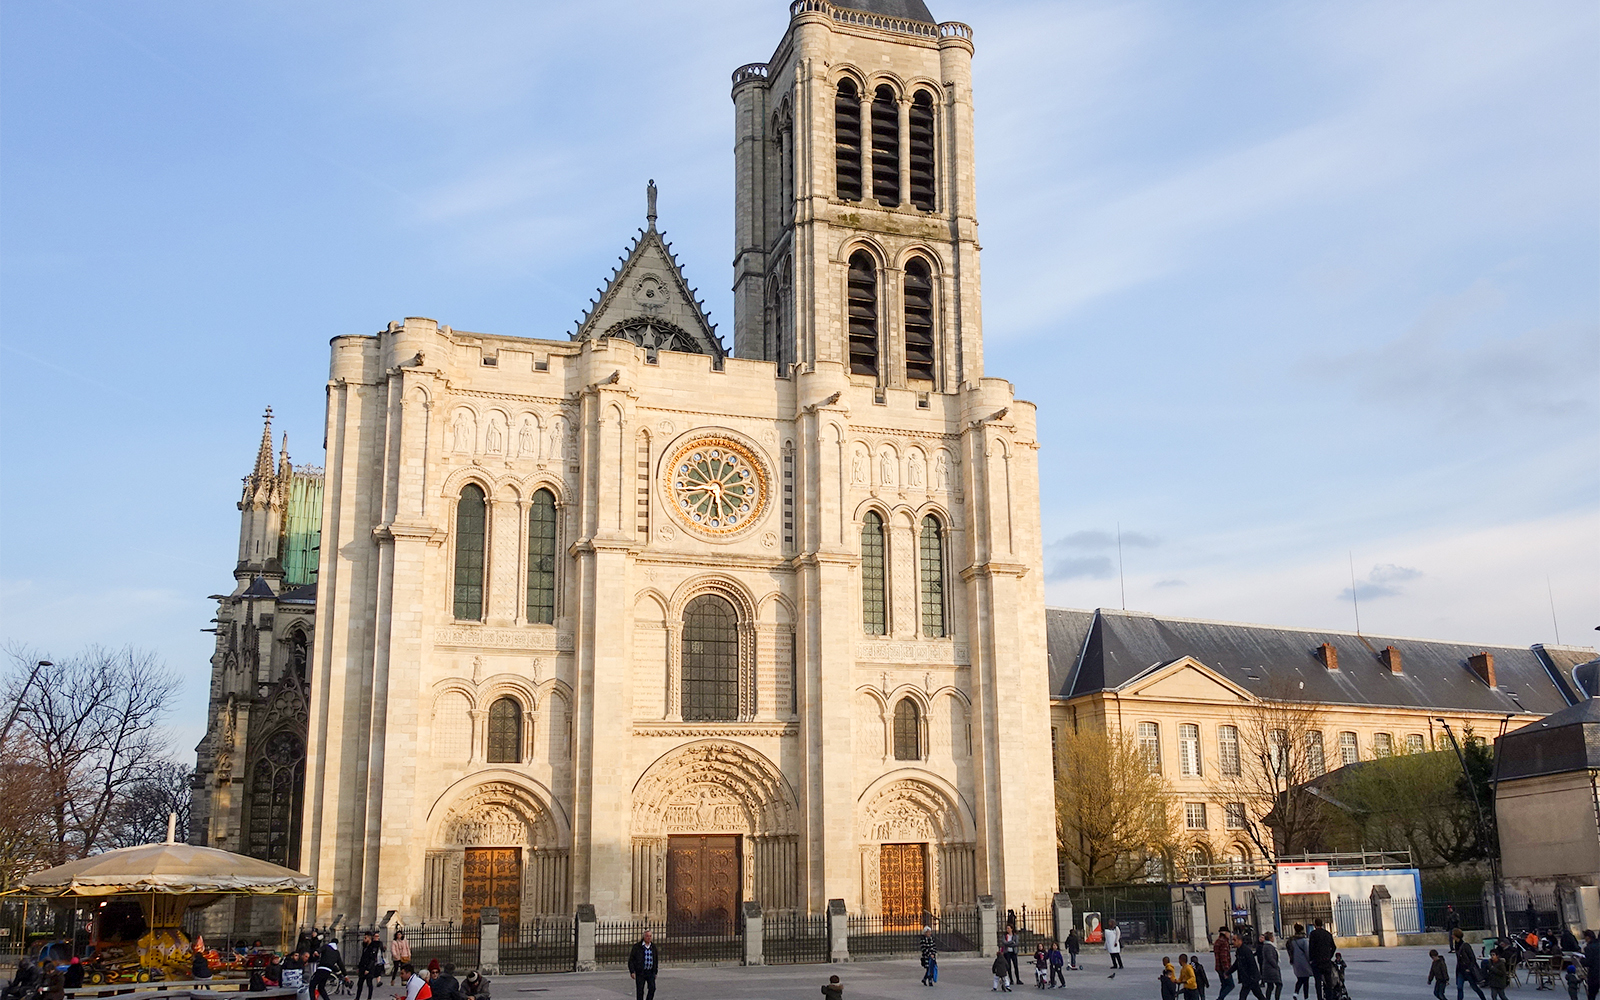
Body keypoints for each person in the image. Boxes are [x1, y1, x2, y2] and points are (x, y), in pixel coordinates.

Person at [1452, 929, 1487, 1000]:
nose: (1451, 936)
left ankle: (1483, 998)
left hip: (1467, 969)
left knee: (1474, 987)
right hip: (1460, 969)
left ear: (1456, 936)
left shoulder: (1465, 945)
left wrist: (1469, 968)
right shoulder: (1456, 944)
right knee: (1459, 987)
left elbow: (1472, 958)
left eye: (1453, 934)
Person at [1306, 920, 1336, 1000]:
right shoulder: (1327, 934)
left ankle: (1320, 997)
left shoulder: (1313, 934)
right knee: (1328, 980)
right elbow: (1333, 947)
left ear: (1315, 925)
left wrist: (1311, 959)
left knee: (1318, 981)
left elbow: (1311, 948)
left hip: (1317, 961)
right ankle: (1329, 996)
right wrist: (1329, 956)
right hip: (1326, 960)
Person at [1231, 931, 1265, 1000]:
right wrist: (1228, 972)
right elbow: (1236, 964)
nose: (1232, 942)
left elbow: (1252, 964)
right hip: (1248, 978)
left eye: (1234, 940)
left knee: (1243, 996)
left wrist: (1252, 977)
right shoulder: (1239, 950)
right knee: (1259, 995)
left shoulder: (1246, 950)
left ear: (1240, 941)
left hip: (1250, 978)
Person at [628, 930, 660, 1000]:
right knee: (640, 990)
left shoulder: (653, 947)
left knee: (652, 988)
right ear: (644, 937)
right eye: (647, 936)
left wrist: (655, 972)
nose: (649, 938)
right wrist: (632, 971)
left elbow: (655, 960)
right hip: (640, 972)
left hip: (650, 971)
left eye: (650, 936)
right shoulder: (637, 947)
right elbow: (631, 960)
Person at [358, 932, 385, 1000]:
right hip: (363, 967)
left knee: (369, 983)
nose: (364, 939)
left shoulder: (373, 947)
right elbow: (362, 957)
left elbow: (373, 959)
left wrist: (368, 969)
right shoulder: (365, 946)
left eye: (365, 938)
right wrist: (359, 967)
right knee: (360, 983)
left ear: (369, 938)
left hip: (369, 968)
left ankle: (369, 998)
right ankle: (357, 997)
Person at [1287, 925, 1312, 999]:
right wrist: (1310, 961)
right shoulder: (1303, 940)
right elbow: (1307, 952)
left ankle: (1295, 993)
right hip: (1304, 962)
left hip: (1296, 962)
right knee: (1306, 980)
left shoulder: (1292, 940)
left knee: (1300, 979)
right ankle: (1306, 997)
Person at [1259, 932, 1283, 1000]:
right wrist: (1275, 966)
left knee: (1270, 986)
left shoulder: (1267, 946)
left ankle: (1268, 998)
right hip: (1271, 969)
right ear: (1270, 938)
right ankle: (1276, 998)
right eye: (1273, 937)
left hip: (1268, 968)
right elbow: (1270, 958)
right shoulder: (1269, 946)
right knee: (1279, 984)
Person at [1215, 927, 1237, 1000]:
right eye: (1228, 933)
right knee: (1230, 985)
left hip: (1218, 967)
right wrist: (1227, 970)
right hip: (1224, 968)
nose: (1229, 935)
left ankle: (1220, 998)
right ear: (1224, 933)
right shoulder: (1224, 942)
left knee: (1224, 985)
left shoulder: (1217, 941)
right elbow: (1223, 957)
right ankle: (1220, 999)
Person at [1582, 930, 1600, 1000]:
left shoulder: (1589, 948)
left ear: (1588, 937)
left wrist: (1581, 960)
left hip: (1594, 974)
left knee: (1592, 995)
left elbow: (1588, 962)